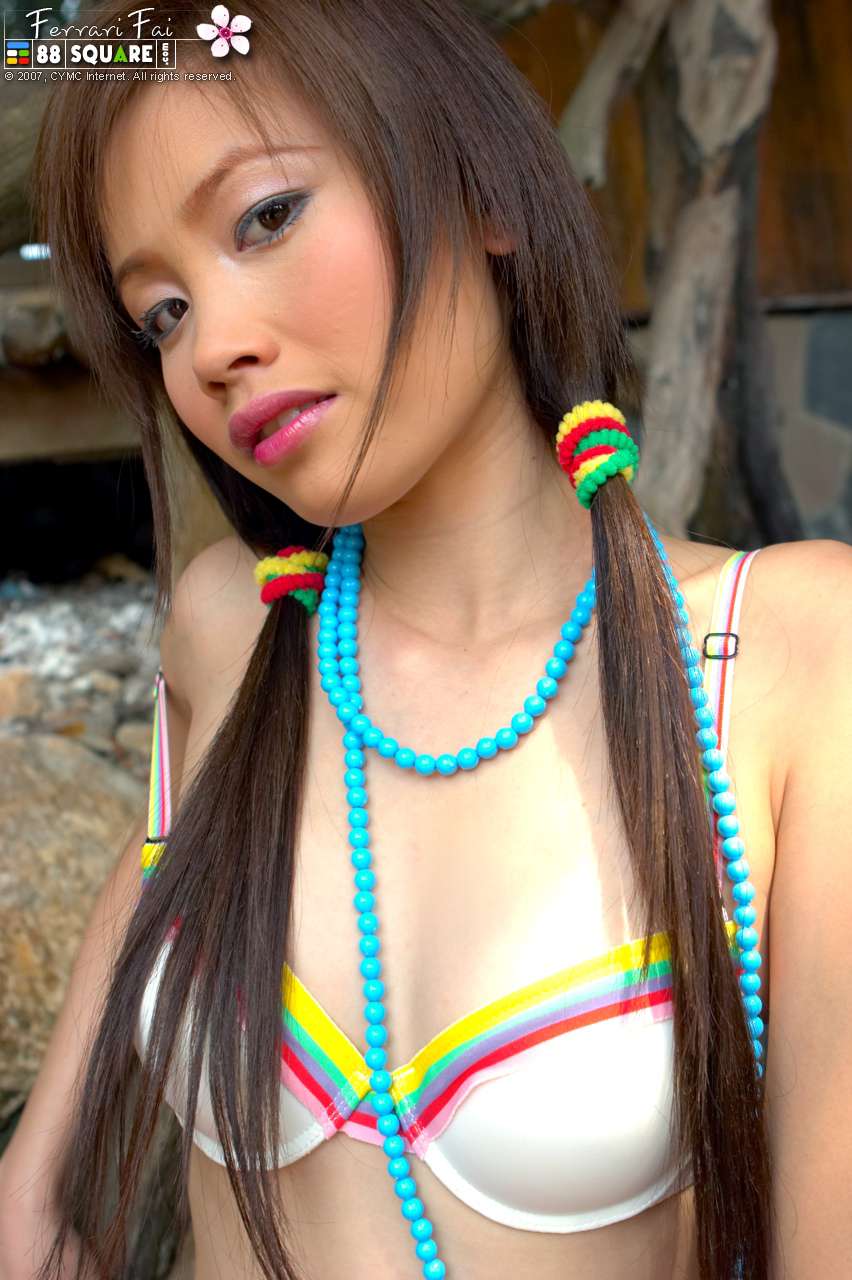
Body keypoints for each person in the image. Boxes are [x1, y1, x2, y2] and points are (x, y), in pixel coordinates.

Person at [1, 1, 850, 1277]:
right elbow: (165, 852)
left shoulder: (787, 660)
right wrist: (34, 1176)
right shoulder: (235, 632)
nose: (215, 348)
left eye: (266, 217)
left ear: (481, 190)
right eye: (162, 312)